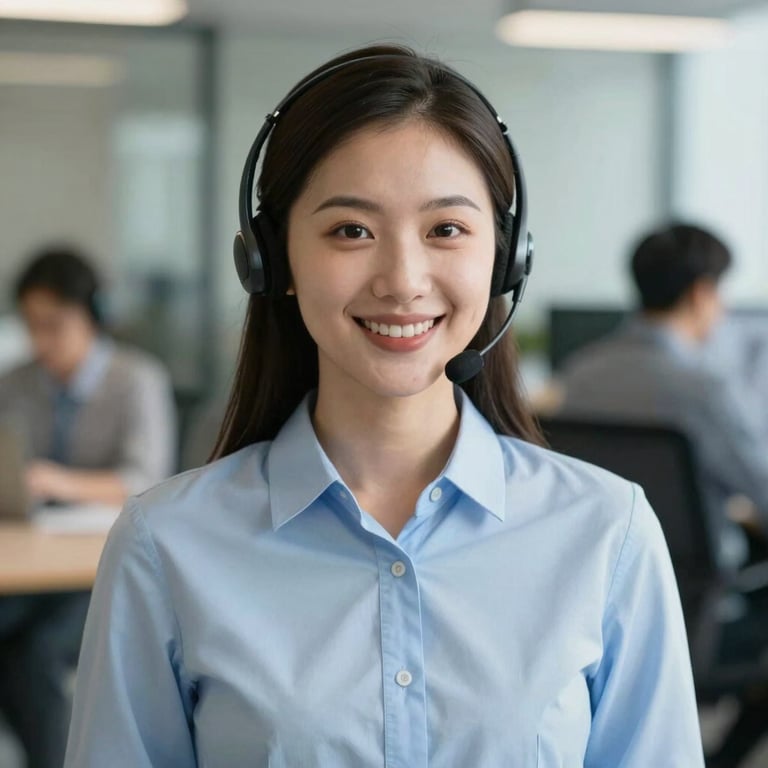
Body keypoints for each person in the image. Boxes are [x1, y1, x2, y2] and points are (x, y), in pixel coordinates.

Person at [64, 45, 703, 767]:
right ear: (272, 262)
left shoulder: (605, 535)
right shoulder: (166, 544)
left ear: (506, 257)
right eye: (350, 231)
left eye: (446, 230)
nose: (403, 280)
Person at [556, 224, 768, 767]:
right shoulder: (702, 389)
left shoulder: (580, 373)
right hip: (699, 608)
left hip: (594, 604)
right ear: (701, 292)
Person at [0, 246, 176, 768]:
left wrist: (58, 482)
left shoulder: (137, 379)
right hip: (31, 561)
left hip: (102, 565)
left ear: (93, 316)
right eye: (32, 325)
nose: (42, 340)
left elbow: (147, 480)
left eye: (54, 324)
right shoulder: (16, 382)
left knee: (33, 656)